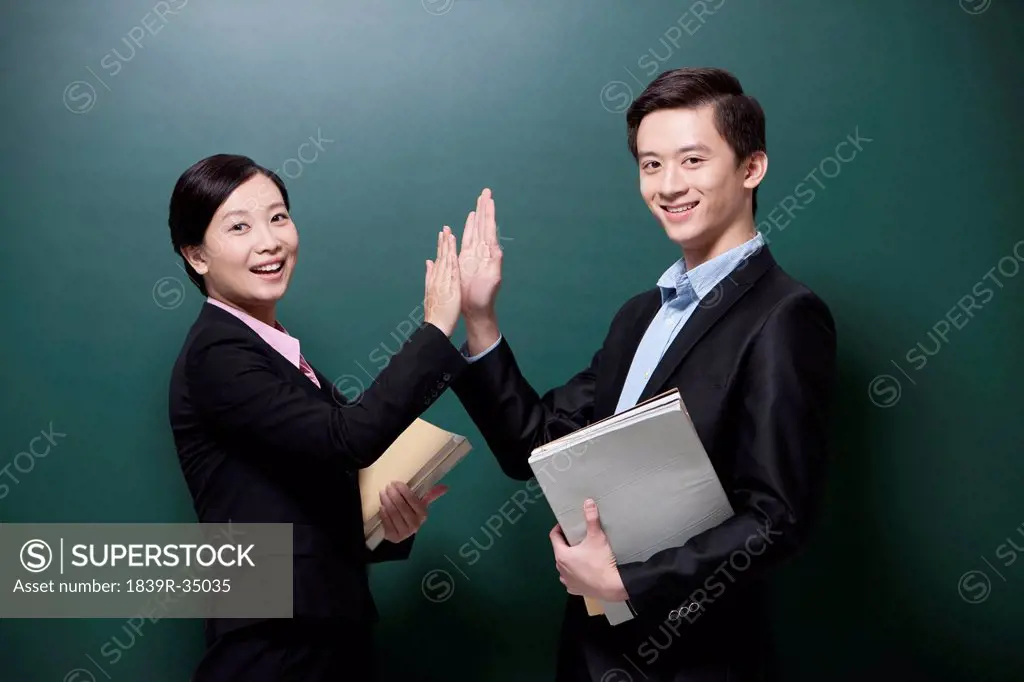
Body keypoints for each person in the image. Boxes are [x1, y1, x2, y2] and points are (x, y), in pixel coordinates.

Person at [451, 68, 838, 681]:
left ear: (751, 168)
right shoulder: (640, 314)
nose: (668, 185)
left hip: (699, 660)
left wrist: (625, 581)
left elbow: (777, 518)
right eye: (650, 165)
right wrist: (479, 318)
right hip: (593, 650)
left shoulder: (786, 315)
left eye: (691, 160)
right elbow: (533, 445)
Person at [166, 153, 466, 681]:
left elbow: (308, 497)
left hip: (322, 633)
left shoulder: (276, 352)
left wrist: (385, 527)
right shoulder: (218, 353)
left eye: (278, 217)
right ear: (196, 256)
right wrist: (436, 327)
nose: (269, 241)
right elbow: (347, 437)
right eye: (239, 227)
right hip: (273, 643)